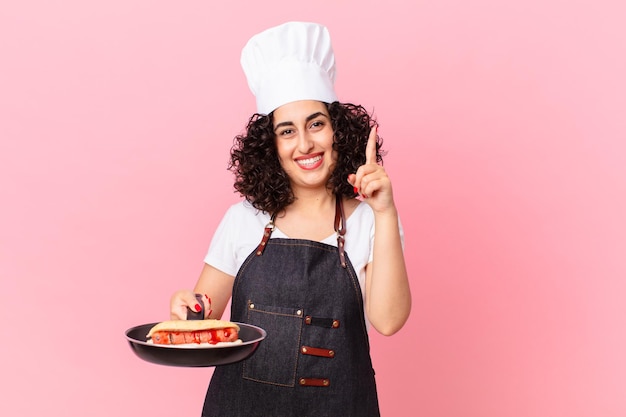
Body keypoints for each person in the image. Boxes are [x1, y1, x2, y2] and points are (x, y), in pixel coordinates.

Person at [169, 21, 411, 417]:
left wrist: (385, 211)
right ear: (270, 146)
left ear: (337, 130)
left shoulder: (370, 220)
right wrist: (186, 309)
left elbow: (388, 320)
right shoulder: (243, 220)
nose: (305, 144)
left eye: (316, 124)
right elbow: (202, 322)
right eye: (286, 131)